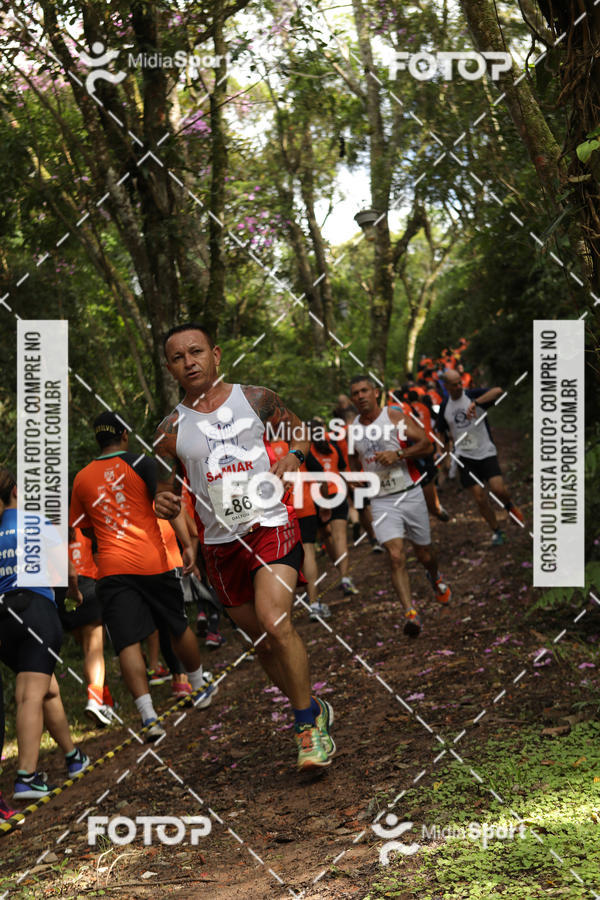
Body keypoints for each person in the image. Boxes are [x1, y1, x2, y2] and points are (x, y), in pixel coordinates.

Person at [154, 322, 335, 771]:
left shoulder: (254, 399)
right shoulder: (170, 429)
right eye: (178, 358)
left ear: (215, 354)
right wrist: (166, 506)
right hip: (220, 546)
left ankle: (305, 730)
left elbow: (301, 433)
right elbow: (164, 491)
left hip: (270, 524)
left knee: (275, 622)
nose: (189, 362)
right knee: (261, 643)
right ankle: (313, 708)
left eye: (195, 352)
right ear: (170, 367)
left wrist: (294, 455)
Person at [70, 412, 212, 743]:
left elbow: (85, 528)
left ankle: (148, 716)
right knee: (178, 625)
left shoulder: (82, 478)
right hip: (154, 562)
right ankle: (198, 683)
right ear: (124, 435)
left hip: (111, 570)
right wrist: (187, 544)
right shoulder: (143, 463)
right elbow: (169, 504)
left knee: (127, 642)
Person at [0, 469, 90, 800]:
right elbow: (66, 568)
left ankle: (73, 756)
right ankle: (26, 776)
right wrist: (73, 593)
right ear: (16, 492)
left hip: (4, 620)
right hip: (36, 613)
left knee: (47, 688)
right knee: (30, 693)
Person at [348, 376, 452, 637]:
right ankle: (410, 613)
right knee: (395, 556)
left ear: (375, 393)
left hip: (409, 492)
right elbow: (352, 460)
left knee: (425, 555)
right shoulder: (352, 429)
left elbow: (427, 445)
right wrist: (355, 479)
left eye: (364, 391)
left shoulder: (394, 417)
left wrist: (399, 454)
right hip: (381, 500)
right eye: (355, 393)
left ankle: (435, 576)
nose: (360, 396)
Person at [437, 369, 524, 545]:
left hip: (485, 451)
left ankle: (509, 506)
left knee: (498, 489)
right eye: (454, 384)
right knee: (479, 497)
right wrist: (444, 455)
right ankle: (497, 531)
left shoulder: (472, 395)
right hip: (464, 456)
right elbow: (442, 433)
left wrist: (476, 403)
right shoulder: (444, 406)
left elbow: (498, 391)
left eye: (460, 382)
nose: (459, 386)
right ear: (446, 387)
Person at [55, 527, 114, 727]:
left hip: (61, 593)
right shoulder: (84, 525)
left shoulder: (47, 527)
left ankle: (105, 702)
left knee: (87, 650)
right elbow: (99, 556)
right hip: (86, 586)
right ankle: (95, 700)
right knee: (94, 650)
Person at [307, 418, 358, 598]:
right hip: (338, 495)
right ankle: (345, 577)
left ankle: (340, 573)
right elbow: (343, 471)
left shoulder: (306, 451)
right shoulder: (333, 448)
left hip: (316, 498)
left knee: (327, 539)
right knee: (340, 538)